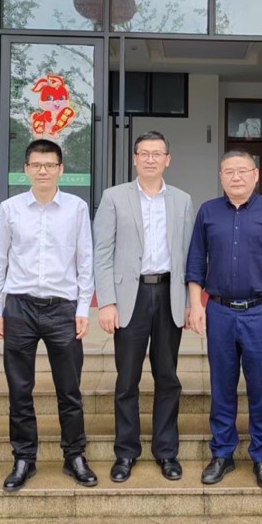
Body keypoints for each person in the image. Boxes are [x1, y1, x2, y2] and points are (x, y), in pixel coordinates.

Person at [0, 139, 97, 491]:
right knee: (19, 390)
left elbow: (85, 260)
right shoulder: (10, 208)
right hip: (19, 307)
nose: (43, 171)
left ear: (61, 169)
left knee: (69, 389)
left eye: (50, 165)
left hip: (63, 309)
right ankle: (24, 458)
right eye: (36, 165)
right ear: (26, 169)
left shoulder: (76, 208)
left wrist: (83, 308)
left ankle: (74, 456)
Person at [186, 150, 262, 489]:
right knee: (222, 386)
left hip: (260, 312)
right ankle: (222, 454)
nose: (236, 177)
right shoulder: (208, 211)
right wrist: (196, 305)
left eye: (242, 171)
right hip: (219, 311)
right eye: (229, 171)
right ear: (220, 176)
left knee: (261, 388)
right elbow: (195, 263)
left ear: (255, 174)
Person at [93, 131, 194, 483]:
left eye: (157, 153)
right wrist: (106, 301)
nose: (151, 159)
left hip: (168, 293)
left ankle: (166, 451)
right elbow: (102, 253)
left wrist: (191, 302)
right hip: (129, 297)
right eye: (144, 153)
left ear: (168, 159)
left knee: (168, 377)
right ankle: (126, 452)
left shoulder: (182, 200)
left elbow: (189, 255)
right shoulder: (114, 197)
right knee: (127, 379)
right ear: (135, 159)